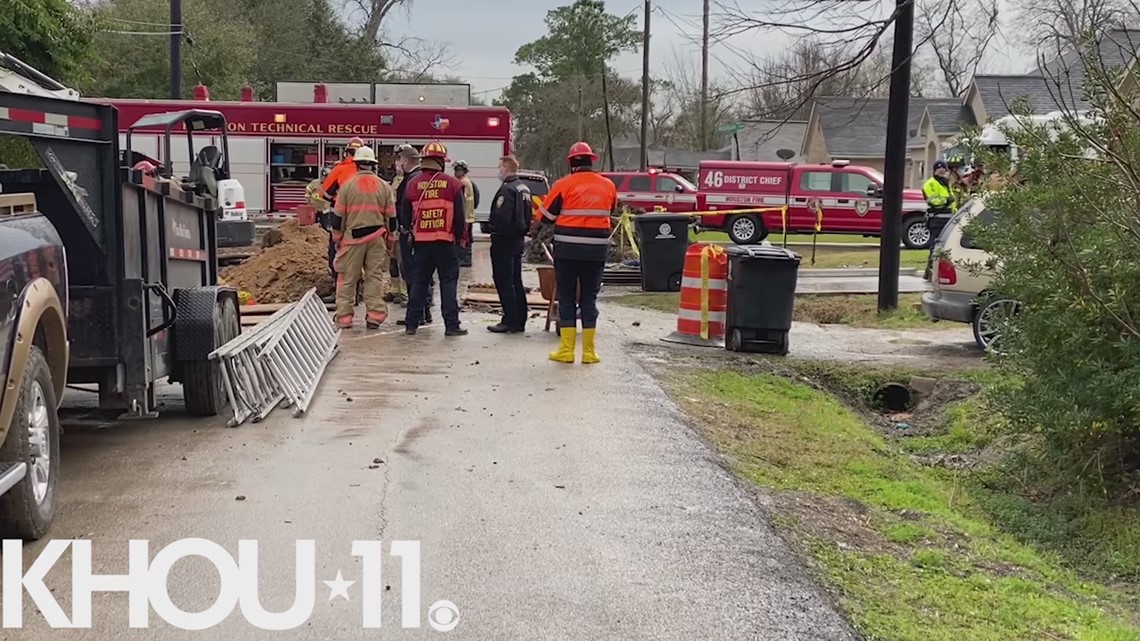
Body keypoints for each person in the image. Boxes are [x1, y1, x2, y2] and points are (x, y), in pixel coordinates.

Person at [538, 142, 617, 364]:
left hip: (568, 252)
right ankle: (589, 352)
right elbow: (611, 209)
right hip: (596, 252)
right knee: (589, 298)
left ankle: (567, 350)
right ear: (591, 161)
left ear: (572, 163)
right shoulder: (608, 186)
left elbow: (545, 217)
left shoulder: (564, 185)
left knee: (566, 297)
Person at [400, 141, 468, 336]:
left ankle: (411, 324)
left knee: (419, 282)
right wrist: (462, 240)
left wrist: (409, 233)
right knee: (448, 282)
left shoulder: (412, 184)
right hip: (446, 243)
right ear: (441, 162)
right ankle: (451, 326)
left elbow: (405, 215)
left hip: (421, 243)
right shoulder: (454, 184)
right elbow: (460, 217)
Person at [330, 146, 396, 329]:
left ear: (357, 164)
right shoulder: (384, 186)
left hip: (352, 239)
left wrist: (337, 239)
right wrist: (390, 241)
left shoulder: (347, 186)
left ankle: (344, 318)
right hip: (377, 239)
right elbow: (391, 218)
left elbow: (338, 218)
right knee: (374, 277)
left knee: (347, 278)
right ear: (373, 165)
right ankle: (375, 316)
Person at [486, 154, 532, 333]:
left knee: (504, 281)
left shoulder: (507, 189)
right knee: (515, 280)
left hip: (504, 241)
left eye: (499, 167)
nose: (498, 170)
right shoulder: (523, 188)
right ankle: (519, 318)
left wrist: (493, 228)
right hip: (518, 241)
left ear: (505, 168)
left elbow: (502, 217)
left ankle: (510, 319)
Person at [392, 144, 434, 326]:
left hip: (410, 234)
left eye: (398, 160)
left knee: (412, 273)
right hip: (419, 233)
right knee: (421, 272)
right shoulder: (418, 177)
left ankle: (417, 314)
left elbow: (405, 208)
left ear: (405, 161)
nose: (396, 163)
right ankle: (424, 312)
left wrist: (402, 228)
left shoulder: (411, 180)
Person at [320, 137, 365, 277]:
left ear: (347, 152)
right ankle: (360, 284)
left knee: (337, 250)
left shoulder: (339, 170)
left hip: (340, 219)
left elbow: (325, 194)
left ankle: (338, 285)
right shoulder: (369, 173)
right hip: (364, 219)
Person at [922, 159, 958, 281]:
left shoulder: (946, 183)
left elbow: (952, 202)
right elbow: (932, 201)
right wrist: (947, 200)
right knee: (935, 247)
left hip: (948, 220)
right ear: (935, 170)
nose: (943, 173)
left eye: (944, 170)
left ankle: (936, 272)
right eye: (940, 170)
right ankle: (930, 272)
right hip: (937, 220)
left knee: (946, 248)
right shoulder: (930, 184)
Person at [453, 160, 478, 267]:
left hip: (465, 217)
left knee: (464, 239)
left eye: (458, 170)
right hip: (468, 216)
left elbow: (460, 201)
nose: (456, 173)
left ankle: (465, 259)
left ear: (463, 171)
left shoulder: (462, 182)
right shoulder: (468, 181)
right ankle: (466, 258)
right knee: (467, 238)